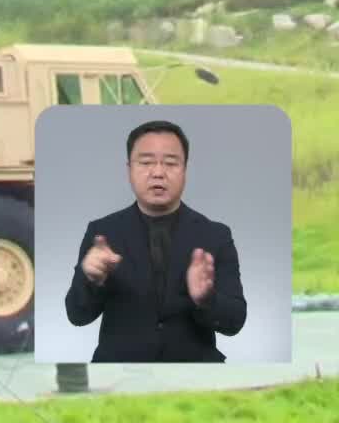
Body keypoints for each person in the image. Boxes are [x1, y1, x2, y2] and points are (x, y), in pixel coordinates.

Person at [63, 119, 246, 362]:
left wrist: (206, 298)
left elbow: (235, 321)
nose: (158, 172)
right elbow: (77, 316)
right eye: (146, 162)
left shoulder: (215, 235)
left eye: (170, 163)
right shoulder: (103, 234)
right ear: (129, 168)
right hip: (120, 374)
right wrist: (91, 279)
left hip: (195, 374)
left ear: (185, 169)